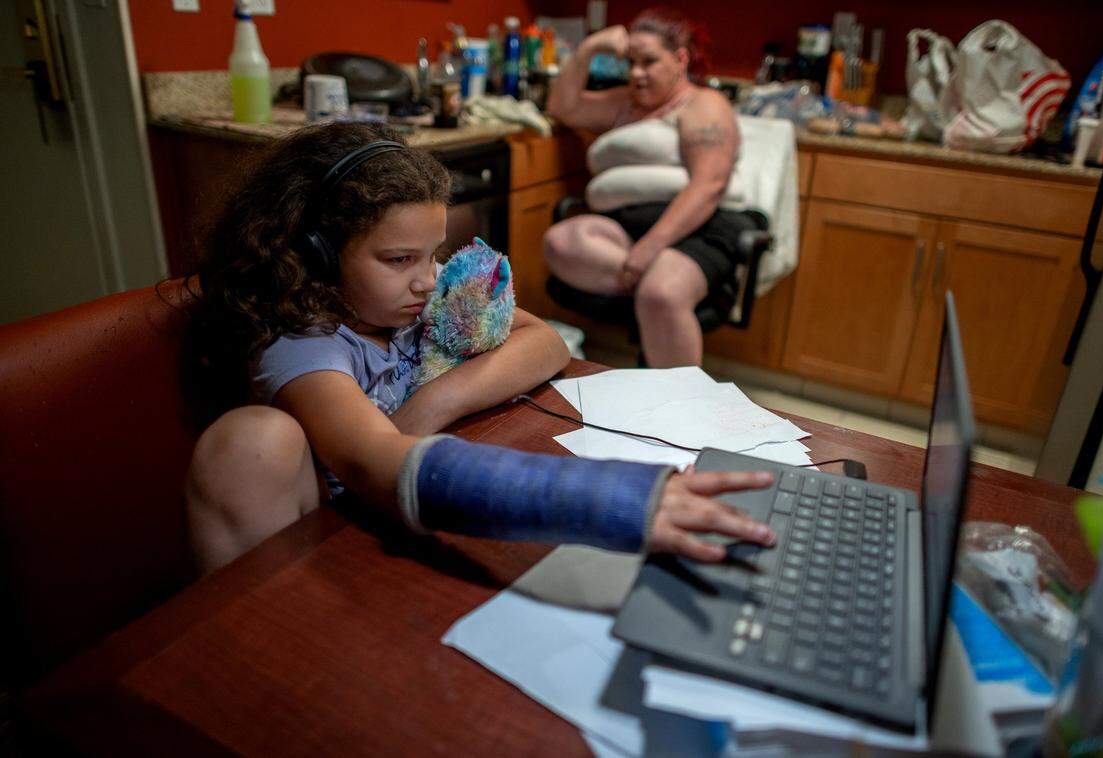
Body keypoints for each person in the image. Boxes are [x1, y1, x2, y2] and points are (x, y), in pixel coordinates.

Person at [182, 122, 776, 575]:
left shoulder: (409, 301)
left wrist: (434, 402)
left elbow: (545, 342)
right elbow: (372, 462)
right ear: (314, 253)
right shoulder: (305, 344)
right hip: (336, 544)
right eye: (398, 260)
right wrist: (608, 500)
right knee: (255, 437)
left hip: (396, 522)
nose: (428, 279)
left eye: (432, 253)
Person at [544, 8, 758, 367]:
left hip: (701, 225)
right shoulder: (624, 103)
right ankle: (654, 287)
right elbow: (561, 107)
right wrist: (590, 48)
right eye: (630, 63)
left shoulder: (703, 105)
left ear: (680, 59)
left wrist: (648, 249)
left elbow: (710, 185)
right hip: (627, 227)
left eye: (649, 62)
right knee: (561, 241)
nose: (636, 74)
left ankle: (678, 413)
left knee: (661, 293)